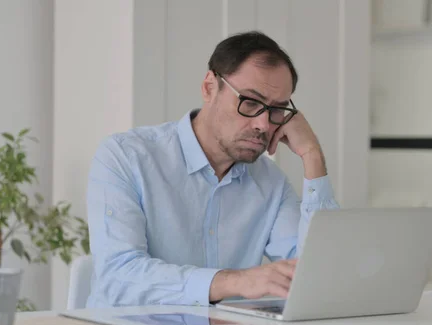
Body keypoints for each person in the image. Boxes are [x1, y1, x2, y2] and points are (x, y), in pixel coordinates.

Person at [85, 31, 339, 308]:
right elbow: (118, 276)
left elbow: (318, 276)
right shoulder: (126, 156)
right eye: (251, 102)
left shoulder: (270, 183)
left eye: (277, 110)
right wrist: (234, 281)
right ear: (209, 87)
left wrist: (312, 156)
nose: (264, 125)